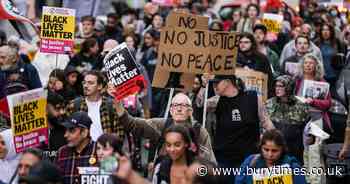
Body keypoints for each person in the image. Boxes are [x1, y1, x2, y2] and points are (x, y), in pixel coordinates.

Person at [202, 74, 274, 183]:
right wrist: (203, 86)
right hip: (224, 159)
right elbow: (198, 106)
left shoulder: (253, 98)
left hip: (249, 158)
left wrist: (276, 141)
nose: (214, 86)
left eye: (217, 83)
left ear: (227, 81)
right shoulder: (216, 101)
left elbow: (266, 122)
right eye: (213, 83)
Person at [115, 92, 217, 164]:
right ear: (171, 111)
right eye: (175, 105)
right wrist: (118, 102)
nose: (179, 108)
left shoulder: (199, 131)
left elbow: (209, 163)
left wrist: (197, 176)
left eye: (183, 105)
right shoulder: (162, 125)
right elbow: (132, 124)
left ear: (190, 111)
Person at [296, 54, 331, 184]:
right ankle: (308, 180)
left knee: (315, 152)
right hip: (300, 120)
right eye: (306, 63)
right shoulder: (297, 80)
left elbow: (328, 103)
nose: (308, 65)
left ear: (316, 66)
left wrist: (313, 101)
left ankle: (316, 181)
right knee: (305, 152)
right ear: (302, 65)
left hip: (316, 120)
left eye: (311, 63)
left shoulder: (321, 81)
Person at [65, 70, 125, 141]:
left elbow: (119, 135)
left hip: (104, 149)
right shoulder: (73, 104)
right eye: (84, 83)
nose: (85, 86)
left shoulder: (112, 106)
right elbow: (67, 132)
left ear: (99, 86)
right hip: (81, 149)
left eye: (90, 83)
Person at [235, 129, 307, 184]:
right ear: (261, 147)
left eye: (274, 151)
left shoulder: (293, 167)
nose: (270, 155)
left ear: (282, 149)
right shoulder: (250, 162)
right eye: (266, 150)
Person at [266, 75, 310, 163]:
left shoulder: (301, 105)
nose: (277, 89)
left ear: (289, 87)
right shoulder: (269, 103)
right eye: (276, 86)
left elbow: (307, 127)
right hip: (273, 148)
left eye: (281, 86)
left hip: (294, 149)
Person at [55, 111, 97, 184]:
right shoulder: (61, 152)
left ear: (84, 132)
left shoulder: (99, 151)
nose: (65, 135)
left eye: (71, 131)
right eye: (66, 130)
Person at [236, 32, 274, 97]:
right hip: (239, 94)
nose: (242, 44)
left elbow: (269, 78)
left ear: (252, 43)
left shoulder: (261, 58)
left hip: (258, 94)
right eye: (240, 42)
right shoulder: (235, 57)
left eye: (246, 42)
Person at [42, 92, 67, 161]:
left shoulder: (66, 132)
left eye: (63, 108)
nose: (62, 112)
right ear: (45, 108)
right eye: (57, 108)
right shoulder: (33, 136)